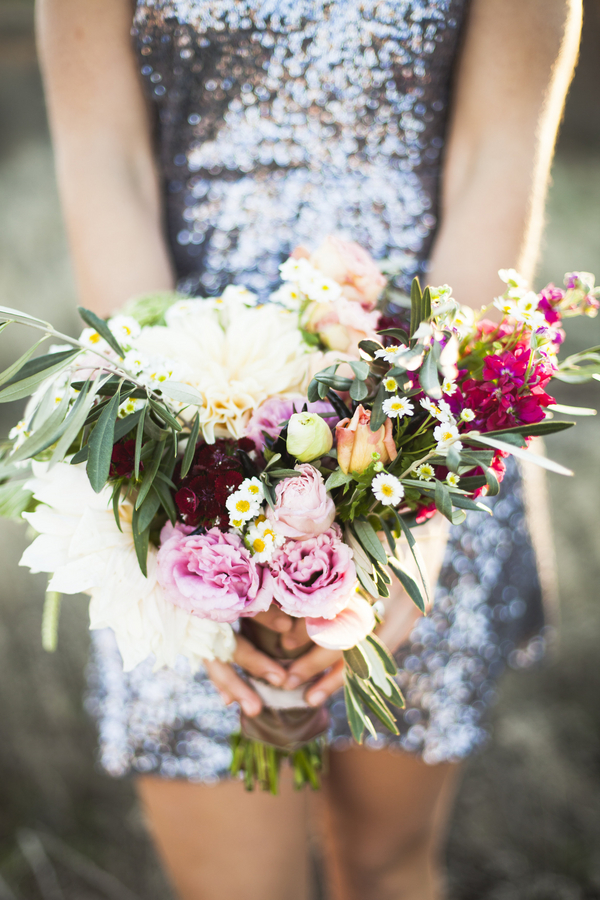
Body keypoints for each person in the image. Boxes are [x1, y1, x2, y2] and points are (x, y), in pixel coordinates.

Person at [36, 1, 581, 897]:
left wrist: (422, 492)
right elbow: (109, 169)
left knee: (387, 864)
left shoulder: (425, 457)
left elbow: (496, 162)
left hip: (424, 411)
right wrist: (177, 503)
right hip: (179, 414)